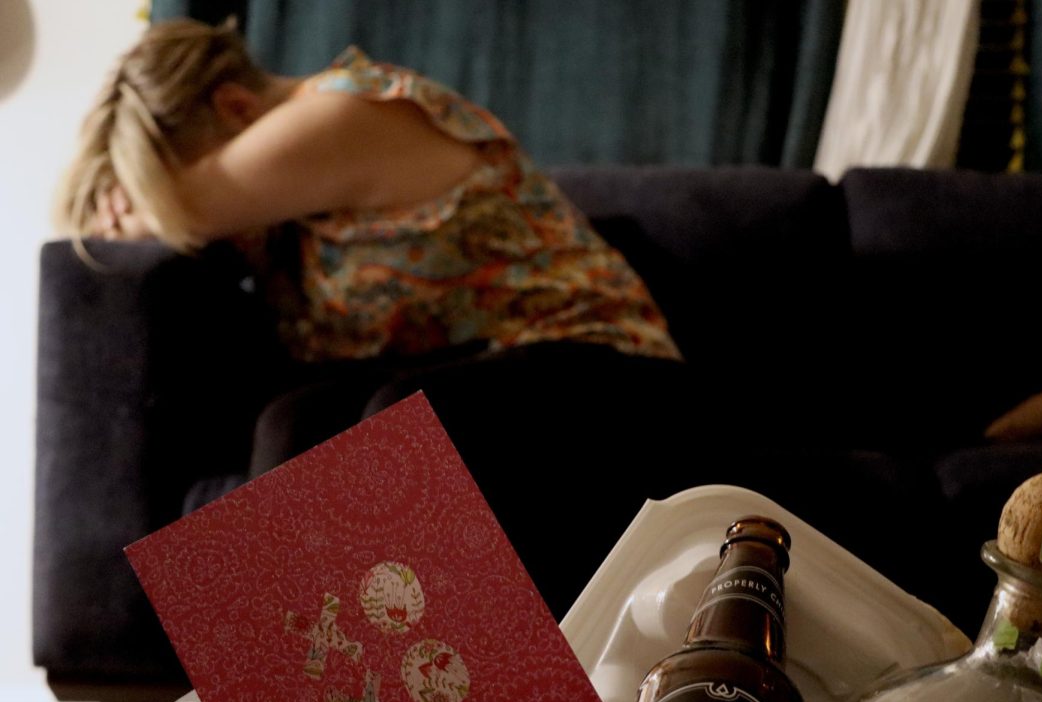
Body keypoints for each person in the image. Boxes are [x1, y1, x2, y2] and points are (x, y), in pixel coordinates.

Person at [55, 17, 690, 480]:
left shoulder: (344, 110)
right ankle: (293, 664)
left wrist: (130, 212)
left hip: (607, 369)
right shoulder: (285, 209)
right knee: (296, 421)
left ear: (236, 106)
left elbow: (180, 209)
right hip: (474, 376)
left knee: (402, 421)